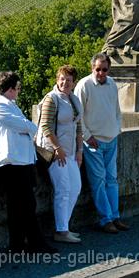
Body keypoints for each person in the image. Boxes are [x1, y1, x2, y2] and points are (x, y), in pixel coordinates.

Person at [0, 71, 56, 253]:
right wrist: (28, 127)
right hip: (10, 164)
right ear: (9, 89)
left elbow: (26, 127)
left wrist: (27, 127)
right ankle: (34, 243)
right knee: (25, 205)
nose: (18, 91)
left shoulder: (10, 105)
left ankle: (19, 244)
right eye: (17, 88)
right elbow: (28, 126)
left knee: (20, 206)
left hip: (20, 162)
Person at [74, 53, 130, 233]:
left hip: (111, 138)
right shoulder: (84, 85)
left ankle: (115, 217)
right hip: (94, 141)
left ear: (109, 69)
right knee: (98, 181)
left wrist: (117, 129)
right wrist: (88, 137)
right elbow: (78, 116)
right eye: (97, 69)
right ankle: (106, 219)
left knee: (112, 180)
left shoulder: (112, 84)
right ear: (92, 68)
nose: (101, 73)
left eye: (104, 69)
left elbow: (116, 110)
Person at [36, 65, 84, 244]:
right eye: (62, 79)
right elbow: (45, 126)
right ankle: (61, 231)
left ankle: (64, 226)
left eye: (69, 80)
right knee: (63, 190)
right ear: (57, 80)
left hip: (70, 152)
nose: (65, 82)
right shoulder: (51, 99)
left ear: (74, 83)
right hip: (54, 153)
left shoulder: (74, 99)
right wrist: (57, 148)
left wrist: (80, 151)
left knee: (76, 188)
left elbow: (79, 127)